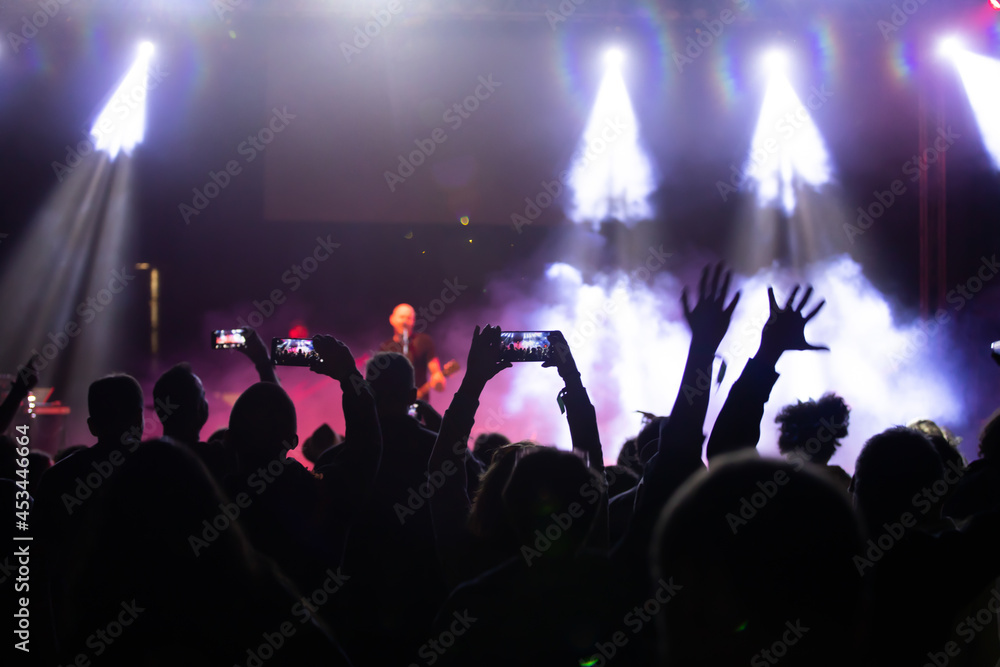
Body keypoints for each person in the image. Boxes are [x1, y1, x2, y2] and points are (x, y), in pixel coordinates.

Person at [379, 303, 446, 398]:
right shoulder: (385, 348)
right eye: (401, 317)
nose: (404, 321)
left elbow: (435, 372)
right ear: (392, 319)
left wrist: (438, 380)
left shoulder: (424, 341)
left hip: (419, 404)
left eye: (408, 318)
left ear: (414, 321)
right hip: (394, 405)